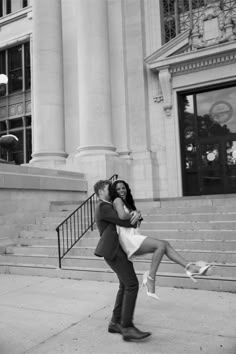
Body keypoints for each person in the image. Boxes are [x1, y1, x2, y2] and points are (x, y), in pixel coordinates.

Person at [111, 179, 212, 300]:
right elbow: (122, 216)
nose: (122, 190)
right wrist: (134, 213)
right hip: (128, 239)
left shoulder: (127, 202)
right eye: (118, 189)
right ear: (115, 191)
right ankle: (151, 278)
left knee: (165, 244)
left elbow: (134, 224)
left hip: (133, 236)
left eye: (123, 188)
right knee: (161, 245)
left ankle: (189, 267)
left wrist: (136, 215)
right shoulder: (117, 200)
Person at [93, 179, 151, 341]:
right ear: (99, 193)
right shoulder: (103, 207)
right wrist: (136, 215)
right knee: (132, 284)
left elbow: (126, 220)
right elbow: (123, 220)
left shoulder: (109, 205)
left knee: (124, 285)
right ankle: (127, 326)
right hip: (113, 251)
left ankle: (115, 322)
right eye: (108, 189)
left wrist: (136, 215)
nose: (111, 190)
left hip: (117, 250)